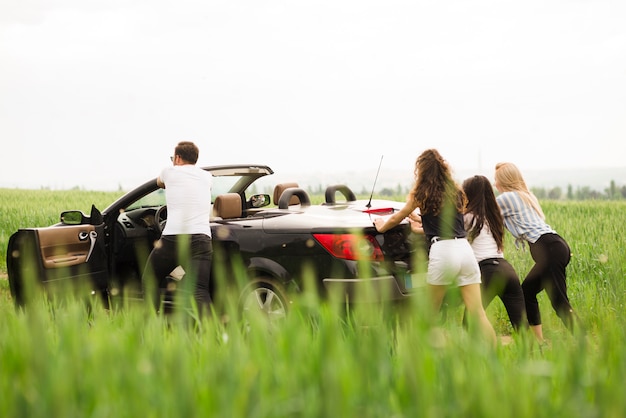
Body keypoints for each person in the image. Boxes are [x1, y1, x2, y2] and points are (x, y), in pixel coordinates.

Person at [373, 149, 497, 346]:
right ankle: (495, 354)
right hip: (464, 250)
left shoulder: (422, 193)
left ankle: (429, 356)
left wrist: (382, 224)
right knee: (478, 312)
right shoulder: (455, 191)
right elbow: (445, 222)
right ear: (443, 167)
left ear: (421, 170)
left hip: (444, 252)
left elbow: (397, 217)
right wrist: (420, 219)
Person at [494, 162, 577, 343]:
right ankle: (539, 342)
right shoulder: (526, 195)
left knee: (559, 301)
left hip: (549, 249)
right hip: (555, 245)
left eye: (496, 180)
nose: (494, 185)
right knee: (527, 292)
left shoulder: (507, 198)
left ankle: (583, 341)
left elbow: (483, 210)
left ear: (505, 181)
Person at [142, 141, 213, 316]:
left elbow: (160, 183)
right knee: (199, 290)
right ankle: (213, 335)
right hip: (202, 239)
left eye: (174, 158)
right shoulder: (207, 176)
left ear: (178, 158)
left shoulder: (168, 172)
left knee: (149, 280)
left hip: (174, 238)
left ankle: (151, 325)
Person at [462, 175, 526, 331]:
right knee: (521, 325)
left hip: (486, 271)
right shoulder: (495, 218)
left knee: (470, 323)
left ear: (469, 194)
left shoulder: (468, 218)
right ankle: (533, 354)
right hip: (507, 270)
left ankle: (477, 354)